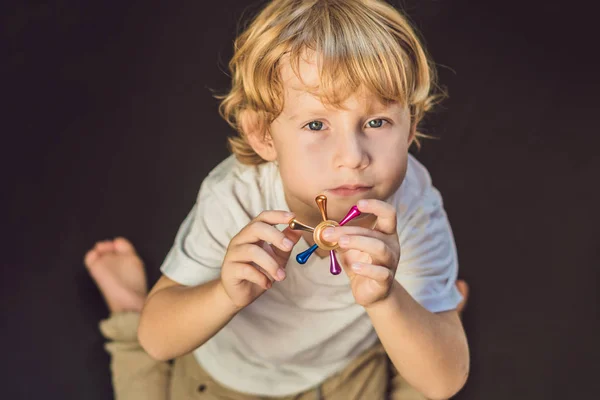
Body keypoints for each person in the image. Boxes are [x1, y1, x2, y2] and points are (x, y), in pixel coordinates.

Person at [87, 0, 471, 398]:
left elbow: (445, 383)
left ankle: (425, 315)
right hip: (227, 373)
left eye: (377, 122)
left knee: (427, 359)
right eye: (316, 124)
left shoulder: (415, 207)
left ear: (410, 126)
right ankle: (128, 311)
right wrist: (224, 294)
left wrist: (389, 300)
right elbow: (159, 340)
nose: (353, 157)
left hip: (340, 374)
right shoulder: (236, 194)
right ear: (263, 135)